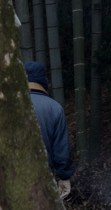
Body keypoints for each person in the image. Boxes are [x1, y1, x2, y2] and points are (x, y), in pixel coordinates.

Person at [24, 61, 74, 199]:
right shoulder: (55, 108)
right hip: (43, 177)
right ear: (44, 81)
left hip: (11, 175)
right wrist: (64, 177)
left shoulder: (8, 106)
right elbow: (61, 148)